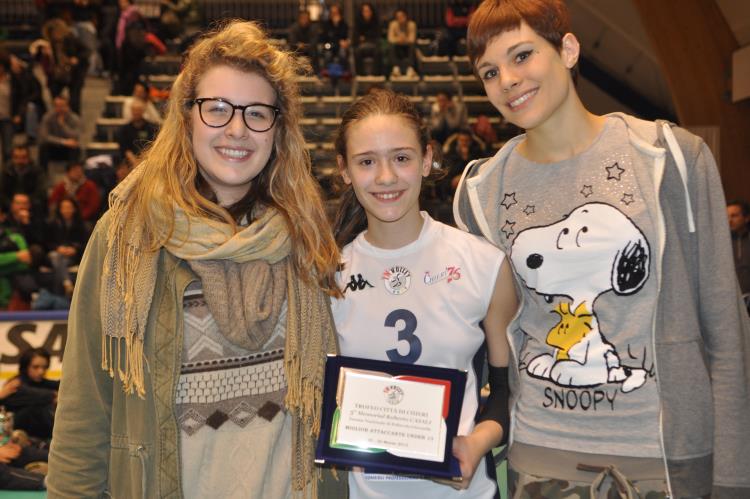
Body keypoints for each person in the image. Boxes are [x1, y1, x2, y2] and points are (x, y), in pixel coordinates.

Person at [453, 1, 750, 498]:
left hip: (665, 459)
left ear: (568, 50)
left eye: (522, 55)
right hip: (542, 456)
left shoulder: (669, 159)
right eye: (490, 71)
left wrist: (734, 479)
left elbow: (726, 331)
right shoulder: (481, 192)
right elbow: (486, 334)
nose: (507, 80)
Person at [47, 20, 343, 498]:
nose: (237, 129)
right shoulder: (127, 238)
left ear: (278, 129)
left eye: (257, 113)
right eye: (217, 109)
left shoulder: (307, 237)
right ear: (186, 117)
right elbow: (85, 408)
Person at [331, 88, 517, 498]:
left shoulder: (483, 264)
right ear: (344, 170)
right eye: (366, 162)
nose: (386, 177)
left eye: (401, 158)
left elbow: (508, 392)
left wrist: (476, 443)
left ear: (427, 158)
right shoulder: (328, 275)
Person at [2, 348, 58, 440]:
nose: (41, 371)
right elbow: (29, 393)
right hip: (18, 436)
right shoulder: (15, 383)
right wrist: (54, 395)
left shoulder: (43, 383)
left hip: (43, 435)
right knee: (35, 409)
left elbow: (60, 385)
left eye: (44, 367)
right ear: (26, 367)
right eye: (35, 367)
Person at [46, 197, 89, 297]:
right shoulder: (52, 223)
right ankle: (67, 284)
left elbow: (85, 244)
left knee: (59, 261)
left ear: (74, 209)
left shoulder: (81, 225)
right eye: (64, 208)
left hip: (72, 256)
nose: (66, 210)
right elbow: (46, 242)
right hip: (56, 253)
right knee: (55, 257)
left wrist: (75, 249)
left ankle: (59, 293)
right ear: (60, 209)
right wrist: (57, 248)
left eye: (69, 207)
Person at [38, 95, 82, 170]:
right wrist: (63, 142)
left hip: (68, 149)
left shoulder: (75, 118)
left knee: (76, 148)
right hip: (53, 146)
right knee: (43, 147)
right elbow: (45, 137)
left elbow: (75, 136)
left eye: (62, 106)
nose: (60, 108)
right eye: (57, 106)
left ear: (68, 106)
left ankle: (72, 172)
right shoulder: (47, 117)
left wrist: (63, 125)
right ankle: (42, 173)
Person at [117, 97, 159, 165]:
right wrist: (135, 163)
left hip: (149, 161)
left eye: (138, 110)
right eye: (134, 110)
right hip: (130, 163)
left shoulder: (152, 128)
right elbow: (125, 150)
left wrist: (144, 162)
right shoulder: (124, 129)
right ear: (131, 111)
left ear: (143, 111)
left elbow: (153, 147)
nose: (136, 112)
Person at [353, 2, 383, 76]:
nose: (366, 13)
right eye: (364, 11)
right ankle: (360, 74)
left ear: (371, 12)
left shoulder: (376, 22)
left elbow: (377, 35)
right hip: (361, 46)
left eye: (368, 11)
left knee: (379, 51)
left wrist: (365, 37)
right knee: (357, 52)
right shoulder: (358, 22)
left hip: (373, 45)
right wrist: (364, 38)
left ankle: (376, 74)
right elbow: (356, 36)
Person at [727, 199, 750, 296]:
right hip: (729, 297)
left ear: (746, 218)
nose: (729, 220)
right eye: (727, 217)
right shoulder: (723, 243)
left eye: (734, 216)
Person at [387, 8, 417, 77]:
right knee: (391, 46)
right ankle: (395, 68)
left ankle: (410, 68)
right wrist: (399, 39)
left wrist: (404, 39)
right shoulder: (393, 24)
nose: (400, 18)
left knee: (412, 46)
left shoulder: (412, 24)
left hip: (408, 47)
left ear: (406, 16)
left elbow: (412, 39)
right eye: (398, 17)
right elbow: (390, 39)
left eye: (402, 16)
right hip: (397, 46)